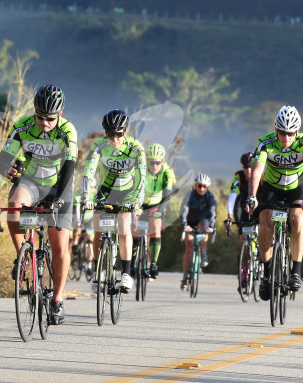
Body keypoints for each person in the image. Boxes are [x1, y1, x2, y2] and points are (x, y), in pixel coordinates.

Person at [0, 84, 77, 325]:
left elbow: (70, 166)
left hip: (59, 184)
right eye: (40, 117)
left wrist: (58, 198)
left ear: (59, 115)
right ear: (34, 112)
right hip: (31, 182)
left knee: (60, 244)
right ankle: (22, 256)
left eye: (50, 118)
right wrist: (6, 168)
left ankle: (58, 299)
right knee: (14, 206)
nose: (44, 122)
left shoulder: (67, 130)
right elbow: (2, 160)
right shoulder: (22, 126)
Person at [245, 105, 303, 299]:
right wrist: (252, 195)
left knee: (297, 218)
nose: (286, 138)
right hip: (271, 188)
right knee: (266, 225)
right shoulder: (265, 143)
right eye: (282, 133)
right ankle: (267, 274)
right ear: (276, 130)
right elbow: (257, 170)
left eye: (291, 134)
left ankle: (295, 270)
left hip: (297, 187)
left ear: (297, 131)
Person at [82, 109, 145, 294]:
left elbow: (142, 177)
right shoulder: (99, 146)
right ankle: (98, 271)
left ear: (126, 132)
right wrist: (86, 197)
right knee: (97, 231)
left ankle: (126, 273)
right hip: (105, 192)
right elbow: (89, 172)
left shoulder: (135, 148)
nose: (115, 138)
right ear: (105, 133)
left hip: (127, 192)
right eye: (110, 134)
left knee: (125, 226)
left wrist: (136, 201)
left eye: (119, 134)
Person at [136, 143, 175, 278]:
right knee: (134, 230)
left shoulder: (167, 172)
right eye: (152, 163)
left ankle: (153, 263)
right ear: (147, 161)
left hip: (157, 204)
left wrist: (161, 210)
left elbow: (167, 194)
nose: (154, 166)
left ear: (162, 161)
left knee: (155, 229)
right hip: (141, 203)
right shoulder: (141, 169)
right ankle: (134, 262)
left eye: (158, 163)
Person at [180, 173, 216, 290]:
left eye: (204, 186)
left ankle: (203, 252)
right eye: (199, 186)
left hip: (203, 223)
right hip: (190, 223)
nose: (201, 188)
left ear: (207, 187)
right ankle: (185, 276)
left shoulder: (210, 197)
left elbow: (212, 213)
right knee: (189, 246)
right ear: (196, 185)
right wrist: (184, 225)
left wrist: (211, 226)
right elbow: (184, 210)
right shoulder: (190, 195)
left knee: (205, 225)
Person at [226, 152, 254, 292]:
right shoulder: (238, 177)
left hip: (259, 211)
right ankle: (243, 277)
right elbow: (231, 198)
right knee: (243, 244)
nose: (248, 170)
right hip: (244, 212)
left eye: (250, 166)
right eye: (245, 167)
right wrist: (229, 216)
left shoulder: (260, 175)